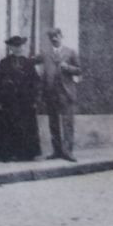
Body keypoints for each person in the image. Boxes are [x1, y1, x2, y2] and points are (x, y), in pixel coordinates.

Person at [0, 35, 41, 161]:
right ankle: (7, 154)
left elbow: (36, 82)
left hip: (25, 102)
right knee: (8, 126)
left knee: (24, 127)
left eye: (20, 46)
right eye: (15, 46)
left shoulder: (28, 63)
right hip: (9, 101)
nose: (18, 49)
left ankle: (25, 154)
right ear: (10, 48)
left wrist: (35, 99)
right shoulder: (4, 63)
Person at [35, 27, 82, 161]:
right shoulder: (45, 53)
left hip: (66, 93)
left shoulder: (70, 52)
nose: (54, 39)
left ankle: (68, 152)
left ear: (62, 36)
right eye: (51, 37)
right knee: (53, 123)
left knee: (67, 123)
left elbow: (79, 70)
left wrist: (68, 67)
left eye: (56, 36)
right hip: (50, 93)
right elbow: (32, 61)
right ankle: (56, 151)